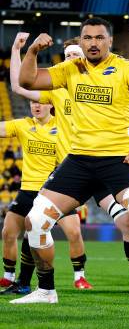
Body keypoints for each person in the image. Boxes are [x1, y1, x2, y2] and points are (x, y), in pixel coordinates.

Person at [12, 18, 129, 310]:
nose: (92, 42)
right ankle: (46, 290)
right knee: (35, 220)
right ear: (80, 41)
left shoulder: (126, 69)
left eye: (99, 37)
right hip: (79, 161)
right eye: (87, 38)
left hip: (118, 159)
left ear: (109, 41)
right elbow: (27, 81)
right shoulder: (69, 70)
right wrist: (31, 52)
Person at [0, 101, 88, 295]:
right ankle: (10, 278)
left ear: (51, 105)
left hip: (54, 191)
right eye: (32, 102)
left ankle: (79, 276)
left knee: (74, 232)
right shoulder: (24, 125)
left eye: (41, 102)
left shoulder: (62, 126)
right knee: (8, 232)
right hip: (28, 190)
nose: (36, 106)